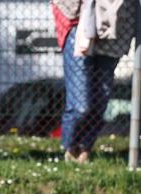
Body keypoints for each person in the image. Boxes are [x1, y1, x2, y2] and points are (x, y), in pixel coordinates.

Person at [51, 0, 137, 163]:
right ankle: (70, 146)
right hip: (80, 21)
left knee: (100, 102)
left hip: (116, 27)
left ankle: (84, 149)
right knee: (81, 105)